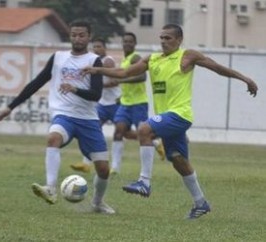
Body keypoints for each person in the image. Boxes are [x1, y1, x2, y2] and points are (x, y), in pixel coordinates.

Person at [82, 24, 258, 219]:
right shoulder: (153, 59)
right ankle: (201, 203)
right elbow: (124, 73)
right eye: (162, 38)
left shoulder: (187, 56)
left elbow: (217, 68)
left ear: (179, 40)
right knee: (178, 159)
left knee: (144, 129)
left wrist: (245, 79)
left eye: (168, 38)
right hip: (168, 116)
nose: (164, 41)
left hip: (180, 114)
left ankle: (144, 182)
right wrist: (97, 70)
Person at [0, 21, 115, 214]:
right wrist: (10, 106)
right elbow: (36, 83)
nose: (77, 38)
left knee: (103, 170)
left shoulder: (94, 61)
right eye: (74, 35)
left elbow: (96, 95)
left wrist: (74, 88)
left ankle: (98, 203)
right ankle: (50, 188)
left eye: (81, 35)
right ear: (70, 36)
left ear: (89, 37)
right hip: (64, 115)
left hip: (88, 120)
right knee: (53, 138)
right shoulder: (58, 58)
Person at [71, 35, 165, 174]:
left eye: (130, 42)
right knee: (117, 132)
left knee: (141, 133)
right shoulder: (124, 60)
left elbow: (142, 76)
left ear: (135, 43)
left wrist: (121, 81)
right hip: (123, 103)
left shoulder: (134, 58)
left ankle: (157, 142)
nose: (127, 44)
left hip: (138, 103)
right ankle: (112, 168)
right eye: (125, 41)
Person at [70, 37, 138, 173]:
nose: (96, 49)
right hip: (102, 104)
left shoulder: (108, 61)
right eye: (94, 47)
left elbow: (115, 82)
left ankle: (154, 142)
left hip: (114, 103)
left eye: (99, 46)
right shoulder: (93, 62)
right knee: (92, 129)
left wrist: (98, 87)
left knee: (124, 133)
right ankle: (86, 163)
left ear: (105, 48)